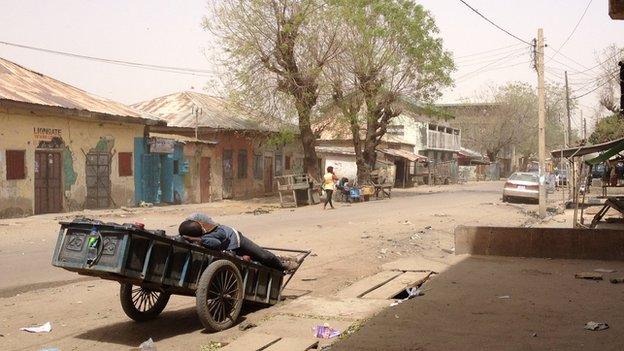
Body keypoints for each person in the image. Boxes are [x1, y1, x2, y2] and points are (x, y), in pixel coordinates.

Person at [178, 213, 296, 272]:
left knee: (263, 256)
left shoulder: (216, 231)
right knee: (251, 262)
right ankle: (280, 259)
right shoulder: (194, 233)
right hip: (228, 251)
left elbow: (216, 244)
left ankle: (282, 265)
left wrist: (196, 239)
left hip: (236, 240)